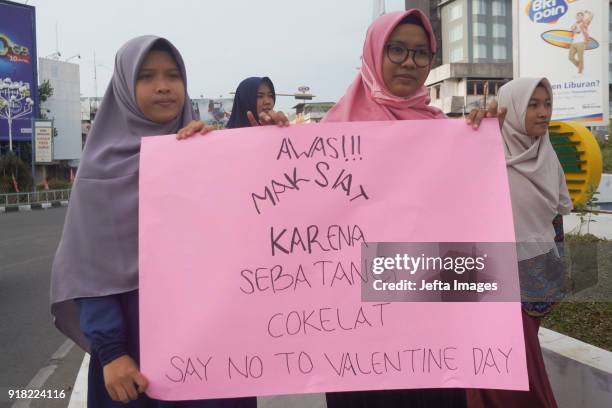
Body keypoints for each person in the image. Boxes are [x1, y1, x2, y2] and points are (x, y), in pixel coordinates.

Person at [50, 36, 255, 408]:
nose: (163, 86)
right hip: (135, 357)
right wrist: (111, 352)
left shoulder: (209, 154)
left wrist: (263, 142)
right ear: (125, 88)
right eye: (146, 76)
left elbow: (266, 226)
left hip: (215, 350)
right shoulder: (100, 172)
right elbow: (87, 272)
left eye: (173, 75)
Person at [321, 8, 497, 407]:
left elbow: (475, 221)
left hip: (433, 331)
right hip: (357, 335)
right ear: (373, 53)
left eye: (421, 53)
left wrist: (487, 142)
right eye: (396, 49)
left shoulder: (450, 136)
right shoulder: (329, 137)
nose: (409, 62)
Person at [467, 78, 572, 408]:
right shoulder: (483, 155)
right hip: (489, 284)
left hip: (535, 280)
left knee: (512, 370)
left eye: (547, 104)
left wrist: (557, 272)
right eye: (533, 104)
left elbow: (554, 220)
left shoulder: (548, 157)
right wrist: (473, 133)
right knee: (510, 379)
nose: (543, 113)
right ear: (511, 108)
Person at [177, 76, 288, 138]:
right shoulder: (222, 138)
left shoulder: (278, 131)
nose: (267, 102)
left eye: (270, 96)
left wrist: (276, 135)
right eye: (259, 96)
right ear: (245, 100)